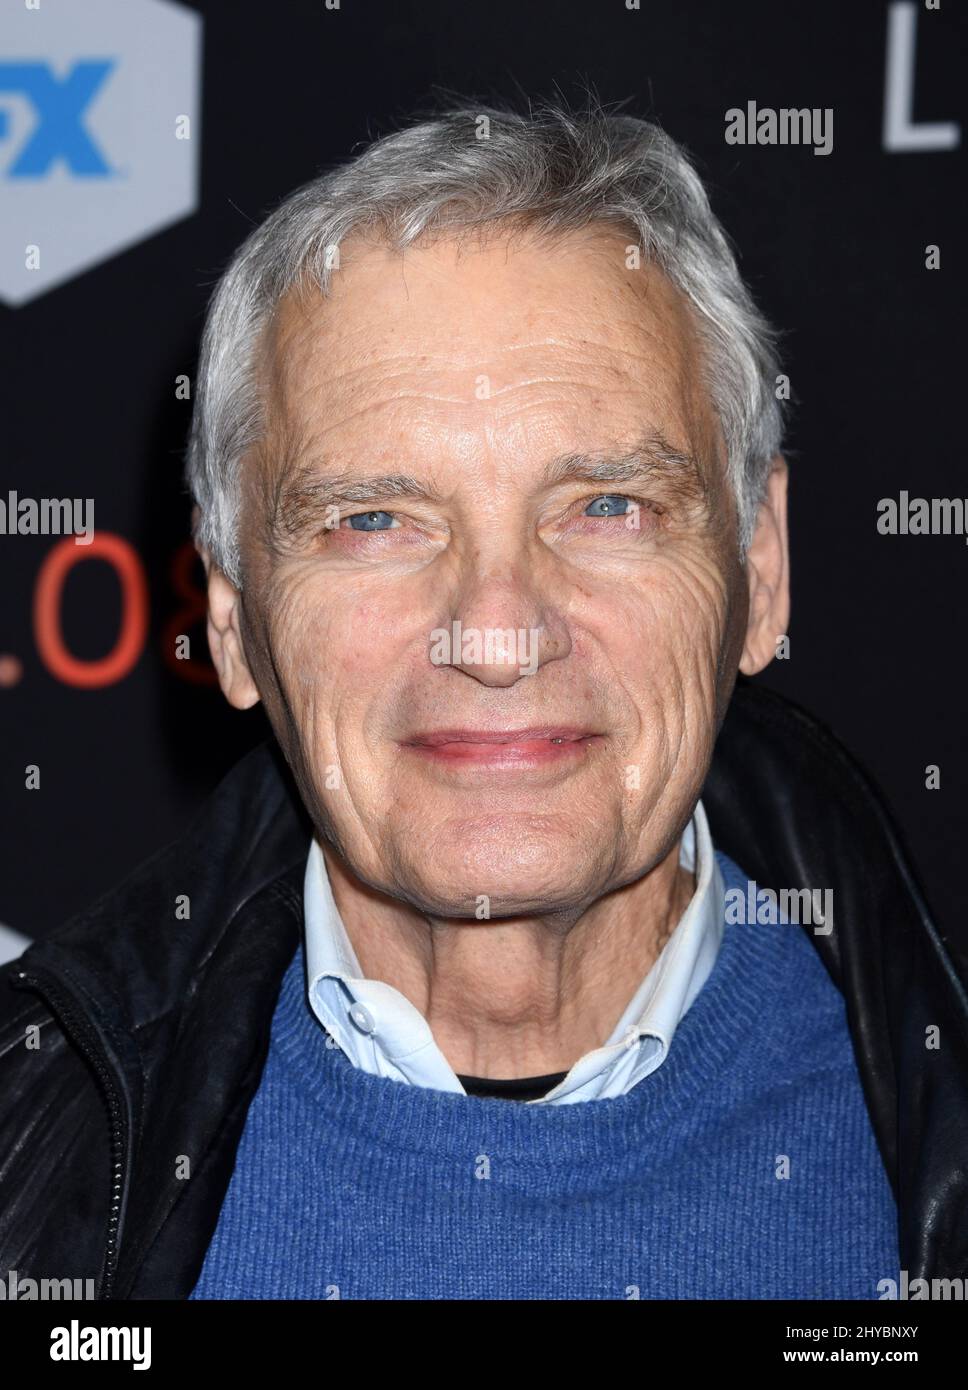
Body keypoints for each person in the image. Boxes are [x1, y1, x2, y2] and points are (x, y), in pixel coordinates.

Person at [2, 98, 966, 1301]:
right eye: (372, 522)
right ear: (236, 619)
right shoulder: (29, 1135)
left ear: (758, 572)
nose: (497, 633)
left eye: (605, 506)